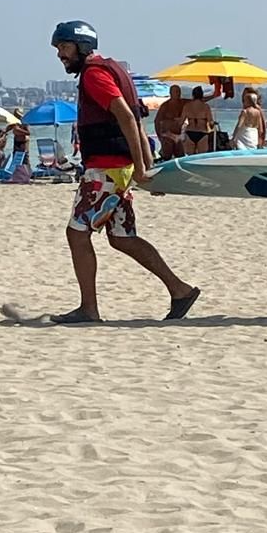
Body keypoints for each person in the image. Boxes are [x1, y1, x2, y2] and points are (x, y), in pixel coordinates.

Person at [49, 20, 199, 324]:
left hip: (107, 170)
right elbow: (136, 120)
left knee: (76, 234)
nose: (60, 54)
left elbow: (127, 117)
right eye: (58, 48)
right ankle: (180, 290)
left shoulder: (94, 75)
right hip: (120, 169)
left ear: (82, 46)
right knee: (122, 237)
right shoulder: (113, 70)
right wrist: (147, 166)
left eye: (64, 47)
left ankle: (88, 309)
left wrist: (143, 169)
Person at [154, 85, 186, 161]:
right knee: (167, 157)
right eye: (176, 92)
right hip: (167, 135)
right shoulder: (165, 106)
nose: (178, 93)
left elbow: (197, 100)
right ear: (171, 93)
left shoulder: (182, 102)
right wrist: (159, 136)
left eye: (179, 91)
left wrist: (213, 95)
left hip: (178, 135)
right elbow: (157, 121)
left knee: (181, 157)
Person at [181, 86, 215, 155]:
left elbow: (181, 121)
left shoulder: (187, 106)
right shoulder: (205, 106)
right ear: (202, 95)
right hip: (202, 132)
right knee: (201, 157)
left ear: (193, 95)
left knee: (189, 157)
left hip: (190, 132)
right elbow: (210, 122)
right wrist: (212, 125)